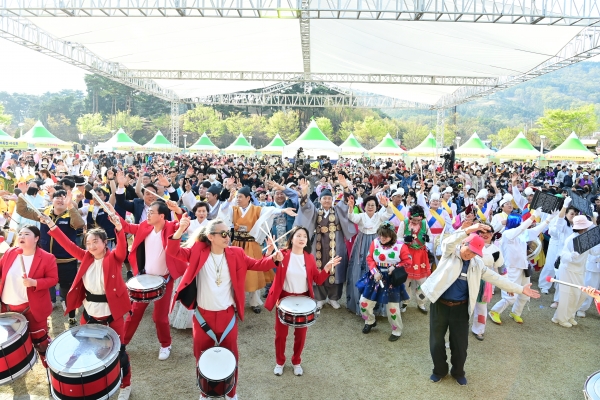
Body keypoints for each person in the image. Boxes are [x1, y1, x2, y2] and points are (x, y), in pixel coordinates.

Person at [166, 217, 283, 400]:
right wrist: (180, 229)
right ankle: (204, 392)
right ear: (210, 237)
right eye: (222, 234)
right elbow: (173, 251)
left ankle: (231, 392)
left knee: (231, 356)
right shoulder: (198, 250)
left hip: (227, 315)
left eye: (228, 233)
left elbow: (257, 265)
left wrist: (273, 258)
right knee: (201, 355)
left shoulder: (237, 253)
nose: (227, 236)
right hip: (202, 314)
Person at [421, 224, 540, 386]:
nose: (470, 255)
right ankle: (439, 370)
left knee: (460, 345)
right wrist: (470, 229)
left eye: (474, 253)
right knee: (436, 342)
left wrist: (520, 289)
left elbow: (497, 278)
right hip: (440, 305)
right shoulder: (450, 254)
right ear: (463, 244)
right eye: (468, 250)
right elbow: (449, 242)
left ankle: (458, 372)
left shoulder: (478, 264)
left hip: (460, 308)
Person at [40, 204, 133, 400]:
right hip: (89, 314)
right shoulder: (85, 257)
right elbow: (67, 244)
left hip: (112, 316)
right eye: (88, 242)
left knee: (120, 353)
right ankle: (94, 386)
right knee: (86, 350)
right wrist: (51, 224)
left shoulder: (114, 258)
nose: (91, 246)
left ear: (105, 242)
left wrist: (119, 228)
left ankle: (126, 384)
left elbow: (123, 248)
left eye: (95, 242)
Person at [264, 226, 341, 376]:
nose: (301, 238)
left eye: (304, 236)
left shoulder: (309, 258)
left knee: (301, 335)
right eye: (298, 235)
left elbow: (318, 280)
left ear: (307, 241)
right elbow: (264, 265)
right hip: (284, 297)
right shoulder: (282, 254)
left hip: (303, 299)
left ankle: (296, 361)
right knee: (280, 334)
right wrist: (269, 253)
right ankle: (280, 362)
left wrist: (326, 268)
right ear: (291, 238)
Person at [121, 199, 186, 361]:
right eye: (148, 212)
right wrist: (111, 212)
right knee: (134, 312)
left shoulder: (171, 227)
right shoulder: (145, 226)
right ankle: (122, 343)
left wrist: (178, 210)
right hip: (144, 278)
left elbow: (184, 223)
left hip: (164, 279)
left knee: (159, 317)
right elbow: (127, 227)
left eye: (151, 212)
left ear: (162, 216)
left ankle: (165, 344)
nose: (147, 215)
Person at [219, 186, 297, 313]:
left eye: (240, 197)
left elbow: (270, 211)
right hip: (237, 244)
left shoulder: (256, 209)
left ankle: (254, 302)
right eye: (237, 196)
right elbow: (222, 212)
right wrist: (229, 200)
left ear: (248, 198)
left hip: (251, 244)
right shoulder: (233, 209)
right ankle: (233, 302)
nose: (238, 199)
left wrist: (283, 211)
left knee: (254, 273)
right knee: (234, 272)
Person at [16, 189, 86, 325]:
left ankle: (71, 313)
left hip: (66, 259)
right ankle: (51, 304)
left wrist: (70, 206)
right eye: (57, 197)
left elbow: (79, 224)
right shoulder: (44, 212)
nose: (60, 200)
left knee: (67, 288)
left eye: (63, 197)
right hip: (46, 259)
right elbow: (22, 210)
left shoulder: (70, 214)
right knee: (47, 285)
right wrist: (23, 194)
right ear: (51, 200)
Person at [0, 225, 57, 368]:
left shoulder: (47, 257)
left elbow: (53, 279)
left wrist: (35, 282)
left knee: (41, 343)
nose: (21, 236)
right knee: (11, 345)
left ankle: (50, 371)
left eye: (26, 234)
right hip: (7, 308)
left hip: (32, 309)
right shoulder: (10, 252)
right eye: (20, 234)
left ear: (37, 238)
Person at [294, 178, 356, 309]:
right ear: (320, 200)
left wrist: (345, 188)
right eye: (324, 199)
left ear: (332, 200)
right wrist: (304, 192)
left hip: (336, 243)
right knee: (319, 268)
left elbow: (346, 204)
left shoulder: (338, 210)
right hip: (319, 244)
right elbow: (306, 207)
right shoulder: (316, 211)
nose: (327, 201)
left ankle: (334, 298)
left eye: (329, 198)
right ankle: (320, 298)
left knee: (336, 269)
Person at [489, 208, 556, 325]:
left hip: (524, 267)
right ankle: (495, 311)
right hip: (511, 268)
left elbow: (535, 231)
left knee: (526, 294)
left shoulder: (521, 234)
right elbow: (522, 228)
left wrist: (549, 219)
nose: (521, 223)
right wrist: (533, 216)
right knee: (510, 296)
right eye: (519, 221)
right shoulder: (507, 234)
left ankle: (516, 312)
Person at [359, 222, 412, 341]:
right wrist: (374, 272)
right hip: (376, 277)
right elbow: (369, 258)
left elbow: (408, 261)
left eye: (386, 236)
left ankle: (396, 330)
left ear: (392, 236)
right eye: (381, 235)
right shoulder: (375, 242)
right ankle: (370, 321)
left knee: (392, 307)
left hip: (391, 279)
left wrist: (396, 266)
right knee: (364, 302)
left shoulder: (400, 246)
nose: (382, 238)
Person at [345, 194, 392, 315]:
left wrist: (386, 205)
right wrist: (350, 207)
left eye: (373, 205)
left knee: (377, 267)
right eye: (368, 205)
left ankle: (376, 305)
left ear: (377, 206)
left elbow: (389, 213)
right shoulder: (361, 216)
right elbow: (352, 217)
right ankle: (359, 302)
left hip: (376, 242)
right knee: (359, 266)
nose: (370, 207)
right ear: (364, 206)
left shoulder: (379, 216)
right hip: (361, 242)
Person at [552, 215, 600, 328]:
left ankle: (569, 315)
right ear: (583, 228)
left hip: (579, 270)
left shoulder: (586, 238)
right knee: (567, 295)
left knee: (581, 294)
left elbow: (594, 252)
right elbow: (563, 255)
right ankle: (560, 318)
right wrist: (571, 256)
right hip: (568, 270)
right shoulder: (571, 239)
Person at [470, 223, 503, 341]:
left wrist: (507, 286)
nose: (485, 235)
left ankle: (479, 330)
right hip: (469, 277)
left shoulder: (496, 250)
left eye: (488, 232)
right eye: (482, 232)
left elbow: (500, 267)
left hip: (485, 281)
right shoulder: (471, 244)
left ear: (492, 234)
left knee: (482, 307)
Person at [538, 198, 577, 295]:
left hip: (566, 249)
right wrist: (564, 207)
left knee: (561, 269)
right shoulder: (558, 216)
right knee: (550, 266)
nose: (574, 216)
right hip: (555, 244)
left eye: (575, 214)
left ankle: (558, 287)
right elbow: (555, 228)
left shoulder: (575, 225)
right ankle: (544, 285)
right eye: (572, 214)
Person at [399, 204, 433, 314]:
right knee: (406, 281)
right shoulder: (404, 223)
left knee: (422, 283)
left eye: (418, 220)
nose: (416, 222)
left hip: (421, 256)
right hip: (407, 255)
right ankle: (405, 301)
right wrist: (405, 239)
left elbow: (431, 238)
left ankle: (421, 303)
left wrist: (428, 238)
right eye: (413, 220)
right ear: (410, 217)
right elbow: (397, 238)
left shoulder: (424, 223)